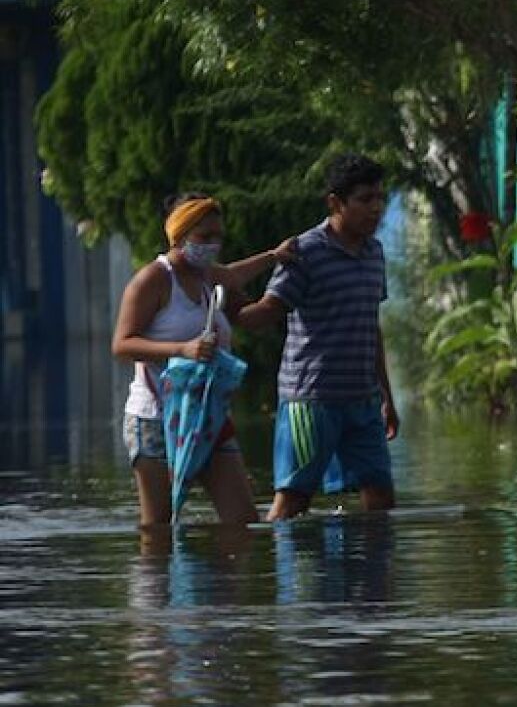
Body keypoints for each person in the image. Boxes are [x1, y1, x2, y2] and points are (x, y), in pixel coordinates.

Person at [112, 193, 295, 527]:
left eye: (218, 237)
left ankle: (222, 580)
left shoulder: (209, 277)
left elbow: (237, 276)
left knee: (242, 523)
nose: (213, 245)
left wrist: (276, 261)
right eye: (204, 237)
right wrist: (182, 349)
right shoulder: (153, 279)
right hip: (155, 418)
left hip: (207, 416)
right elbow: (122, 345)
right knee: (159, 530)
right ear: (179, 235)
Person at [237, 154, 400, 521]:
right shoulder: (306, 251)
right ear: (335, 203)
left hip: (362, 399)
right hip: (311, 401)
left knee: (380, 496)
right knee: (294, 499)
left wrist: (387, 397)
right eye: (364, 200)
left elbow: (371, 326)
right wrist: (225, 306)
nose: (375, 209)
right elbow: (268, 311)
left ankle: (373, 577)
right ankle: (282, 574)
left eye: (380, 198)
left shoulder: (374, 252)